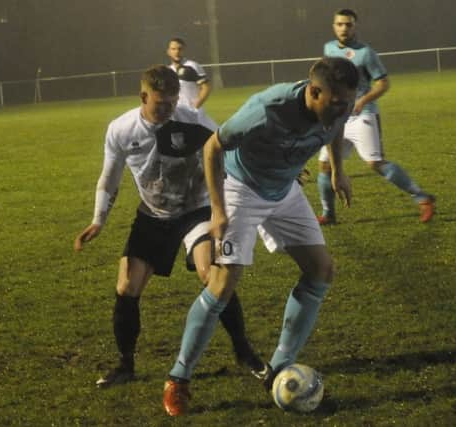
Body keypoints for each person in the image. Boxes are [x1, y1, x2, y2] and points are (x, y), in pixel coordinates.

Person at [162, 57, 359, 416]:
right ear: (313, 91)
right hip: (242, 189)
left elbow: (337, 128)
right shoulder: (268, 109)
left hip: (284, 190)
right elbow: (212, 148)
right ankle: (179, 377)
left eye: (349, 102)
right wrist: (219, 211)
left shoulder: (337, 107)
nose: (345, 109)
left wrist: (337, 171)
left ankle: (282, 365)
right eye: (337, 103)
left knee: (321, 270)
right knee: (223, 284)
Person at [73, 65, 263, 389]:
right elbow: (110, 177)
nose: (167, 110)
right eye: (160, 104)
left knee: (213, 275)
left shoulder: (192, 118)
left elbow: (229, 145)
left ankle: (243, 350)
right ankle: (126, 364)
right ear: (143, 97)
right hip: (154, 214)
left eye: (172, 103)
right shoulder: (120, 129)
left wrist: (261, 170)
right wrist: (98, 220)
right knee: (127, 287)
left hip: (196, 209)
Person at [317, 8, 435, 225]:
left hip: (362, 115)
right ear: (334, 26)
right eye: (340, 24)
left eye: (349, 24)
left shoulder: (366, 53)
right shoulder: (329, 48)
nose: (344, 28)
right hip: (337, 116)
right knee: (326, 166)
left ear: (355, 26)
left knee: (375, 163)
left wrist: (362, 101)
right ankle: (328, 214)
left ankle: (423, 198)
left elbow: (383, 83)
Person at [166, 37, 211, 112]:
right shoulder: (167, 70)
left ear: (184, 51)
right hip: (176, 113)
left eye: (180, 49)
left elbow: (205, 88)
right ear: (168, 51)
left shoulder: (193, 66)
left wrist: (195, 107)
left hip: (192, 113)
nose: (177, 52)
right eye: (173, 49)